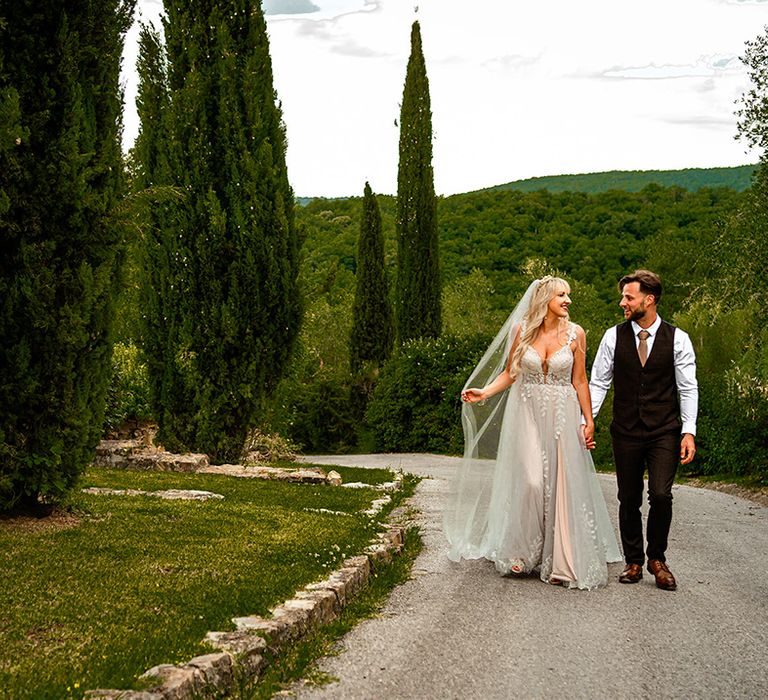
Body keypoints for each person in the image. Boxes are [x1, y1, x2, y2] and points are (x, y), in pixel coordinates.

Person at [444, 276, 621, 590]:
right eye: (561, 295)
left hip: (563, 413)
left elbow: (580, 380)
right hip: (526, 411)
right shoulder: (521, 330)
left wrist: (588, 420)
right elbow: (511, 372)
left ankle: (561, 560)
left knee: (562, 484)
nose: (568, 300)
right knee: (531, 480)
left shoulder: (576, 333)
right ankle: (522, 553)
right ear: (544, 299)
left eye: (568, 295)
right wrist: (484, 393)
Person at [589, 270, 698, 591]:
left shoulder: (678, 338)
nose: (623, 302)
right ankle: (634, 561)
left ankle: (657, 558)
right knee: (628, 497)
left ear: (649, 300)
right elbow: (598, 382)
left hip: (664, 429)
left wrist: (688, 431)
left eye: (629, 297)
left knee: (661, 494)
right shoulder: (613, 336)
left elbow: (688, 388)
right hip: (625, 429)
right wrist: (588, 420)